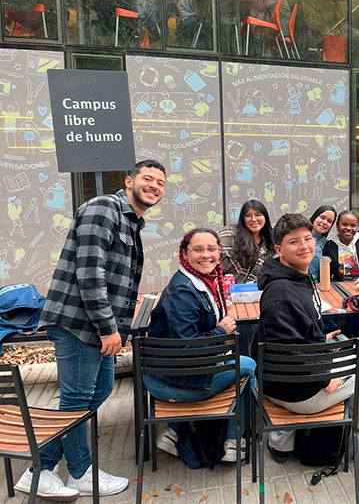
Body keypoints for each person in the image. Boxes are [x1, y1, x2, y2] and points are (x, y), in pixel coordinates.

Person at [14, 160, 166, 500]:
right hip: (80, 324)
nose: (154, 185)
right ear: (128, 181)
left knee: (96, 394)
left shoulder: (130, 221)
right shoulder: (104, 208)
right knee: (78, 398)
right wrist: (108, 328)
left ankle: (43, 468)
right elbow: (90, 274)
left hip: (95, 326)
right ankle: (80, 473)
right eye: (147, 178)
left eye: (160, 182)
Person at [257, 213, 359, 462]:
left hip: (283, 380)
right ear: (279, 249)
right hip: (296, 390)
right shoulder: (281, 292)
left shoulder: (293, 277)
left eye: (307, 239)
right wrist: (326, 378)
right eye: (294, 242)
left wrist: (319, 340)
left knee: (340, 344)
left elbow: (290, 337)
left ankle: (281, 443)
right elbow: (286, 350)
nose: (304, 246)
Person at [145, 228, 256, 462]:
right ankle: (236, 441)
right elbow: (187, 348)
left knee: (234, 360)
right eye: (198, 249)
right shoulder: (183, 291)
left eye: (212, 249)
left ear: (220, 252)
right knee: (248, 367)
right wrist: (220, 332)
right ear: (185, 253)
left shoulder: (200, 281)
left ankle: (174, 432)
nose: (206, 255)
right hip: (173, 381)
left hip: (172, 371)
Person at [220, 199, 274, 283]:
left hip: (253, 293)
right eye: (248, 215)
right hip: (224, 290)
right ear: (242, 219)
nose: (253, 219)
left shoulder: (269, 242)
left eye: (258, 215)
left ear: (265, 217)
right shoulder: (229, 234)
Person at [308, 204, 337, 282]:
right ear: (315, 216)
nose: (324, 222)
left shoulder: (328, 245)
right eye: (322, 217)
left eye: (329, 221)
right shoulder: (298, 236)